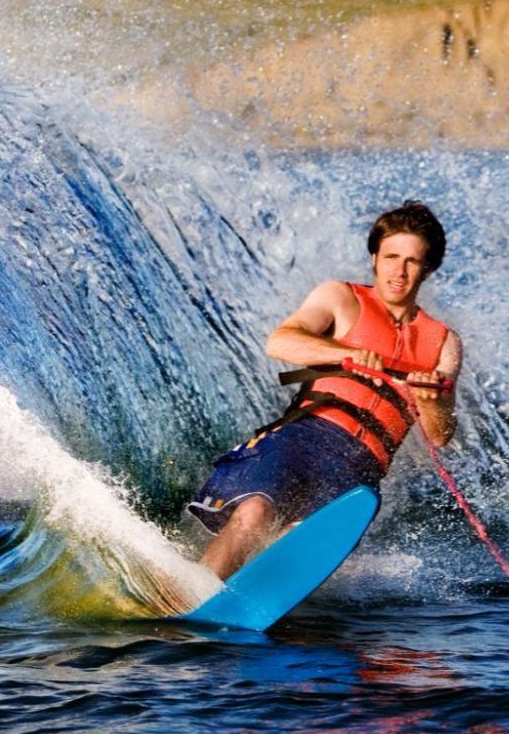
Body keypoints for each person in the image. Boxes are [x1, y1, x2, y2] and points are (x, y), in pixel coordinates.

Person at [187, 201, 463, 578]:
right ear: (374, 258)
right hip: (302, 438)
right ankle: (199, 592)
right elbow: (280, 341)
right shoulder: (341, 298)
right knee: (253, 513)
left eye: (412, 261)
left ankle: (251, 594)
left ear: (428, 268)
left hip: (361, 468)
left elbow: (440, 434)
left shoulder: (444, 343)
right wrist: (346, 354)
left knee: (298, 540)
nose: (398, 271)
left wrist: (433, 402)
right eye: (390, 257)